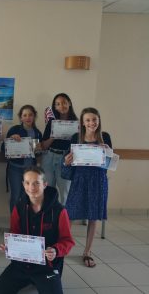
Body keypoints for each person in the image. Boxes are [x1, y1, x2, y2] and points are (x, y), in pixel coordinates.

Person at [0, 166, 75, 294]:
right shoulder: (18, 207)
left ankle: (38, 281)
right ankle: (29, 280)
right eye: (27, 183)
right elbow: (14, 233)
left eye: (37, 183)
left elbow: (68, 241)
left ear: (45, 184)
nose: (31, 187)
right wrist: (10, 246)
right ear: (23, 184)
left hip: (47, 267)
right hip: (21, 265)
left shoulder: (59, 211)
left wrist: (55, 250)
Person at [63, 107, 111, 268]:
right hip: (80, 179)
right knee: (69, 214)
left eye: (94, 120)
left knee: (93, 216)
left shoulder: (105, 137)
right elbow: (67, 165)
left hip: (98, 180)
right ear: (83, 123)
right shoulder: (75, 138)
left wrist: (108, 154)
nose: (92, 123)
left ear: (99, 121)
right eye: (88, 120)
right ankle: (62, 248)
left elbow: (109, 164)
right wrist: (66, 161)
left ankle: (87, 252)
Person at [2, 105, 42, 213]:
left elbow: (37, 154)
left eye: (30, 115)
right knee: (15, 196)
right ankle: (14, 223)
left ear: (34, 117)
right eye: (25, 115)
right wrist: (11, 139)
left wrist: (39, 149)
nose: (28, 117)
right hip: (15, 168)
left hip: (30, 170)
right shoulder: (14, 129)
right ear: (21, 118)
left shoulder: (37, 132)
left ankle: (24, 222)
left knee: (27, 196)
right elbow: (3, 149)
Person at [41, 93, 78, 205]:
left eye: (64, 103)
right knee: (47, 190)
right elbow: (44, 146)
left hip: (65, 159)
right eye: (58, 104)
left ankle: (64, 221)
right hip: (49, 157)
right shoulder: (51, 123)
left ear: (69, 103)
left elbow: (78, 146)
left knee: (65, 192)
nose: (61, 106)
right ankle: (48, 219)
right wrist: (53, 136)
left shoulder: (76, 124)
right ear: (55, 107)